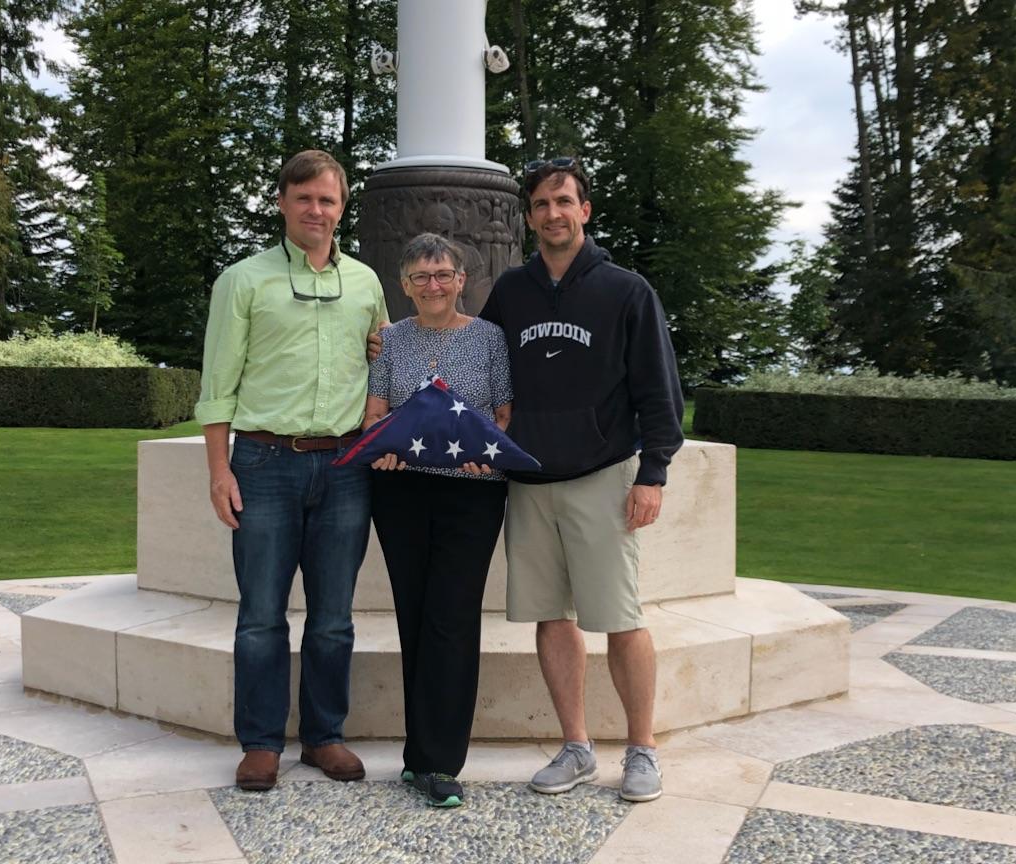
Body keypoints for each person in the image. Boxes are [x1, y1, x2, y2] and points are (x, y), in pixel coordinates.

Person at [479, 157, 685, 803]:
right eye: (540, 204)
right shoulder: (511, 291)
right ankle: (575, 747)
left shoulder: (626, 290)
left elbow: (660, 391)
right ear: (529, 216)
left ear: (585, 210)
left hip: (603, 475)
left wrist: (652, 474)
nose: (552, 214)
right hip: (530, 479)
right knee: (550, 617)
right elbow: (478, 362)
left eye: (563, 201)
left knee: (620, 618)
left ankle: (642, 750)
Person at [195, 149, 387, 791]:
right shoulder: (243, 281)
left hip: (344, 466)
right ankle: (260, 742)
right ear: (282, 202)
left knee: (334, 616)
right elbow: (218, 383)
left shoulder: (364, 282)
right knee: (261, 615)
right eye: (304, 198)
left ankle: (325, 735)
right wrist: (220, 471)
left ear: (341, 207)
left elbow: (384, 362)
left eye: (328, 200)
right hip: (264, 461)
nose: (316, 210)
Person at [363, 233, 512, 808]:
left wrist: (487, 447)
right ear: (404, 285)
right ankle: (415, 755)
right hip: (400, 490)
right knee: (414, 614)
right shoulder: (391, 341)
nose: (434, 285)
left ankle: (440, 761)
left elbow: (503, 414)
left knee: (451, 617)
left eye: (443, 274)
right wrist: (386, 444)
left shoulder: (489, 339)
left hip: (473, 493)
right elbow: (376, 414)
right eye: (421, 277)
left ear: (461, 281)